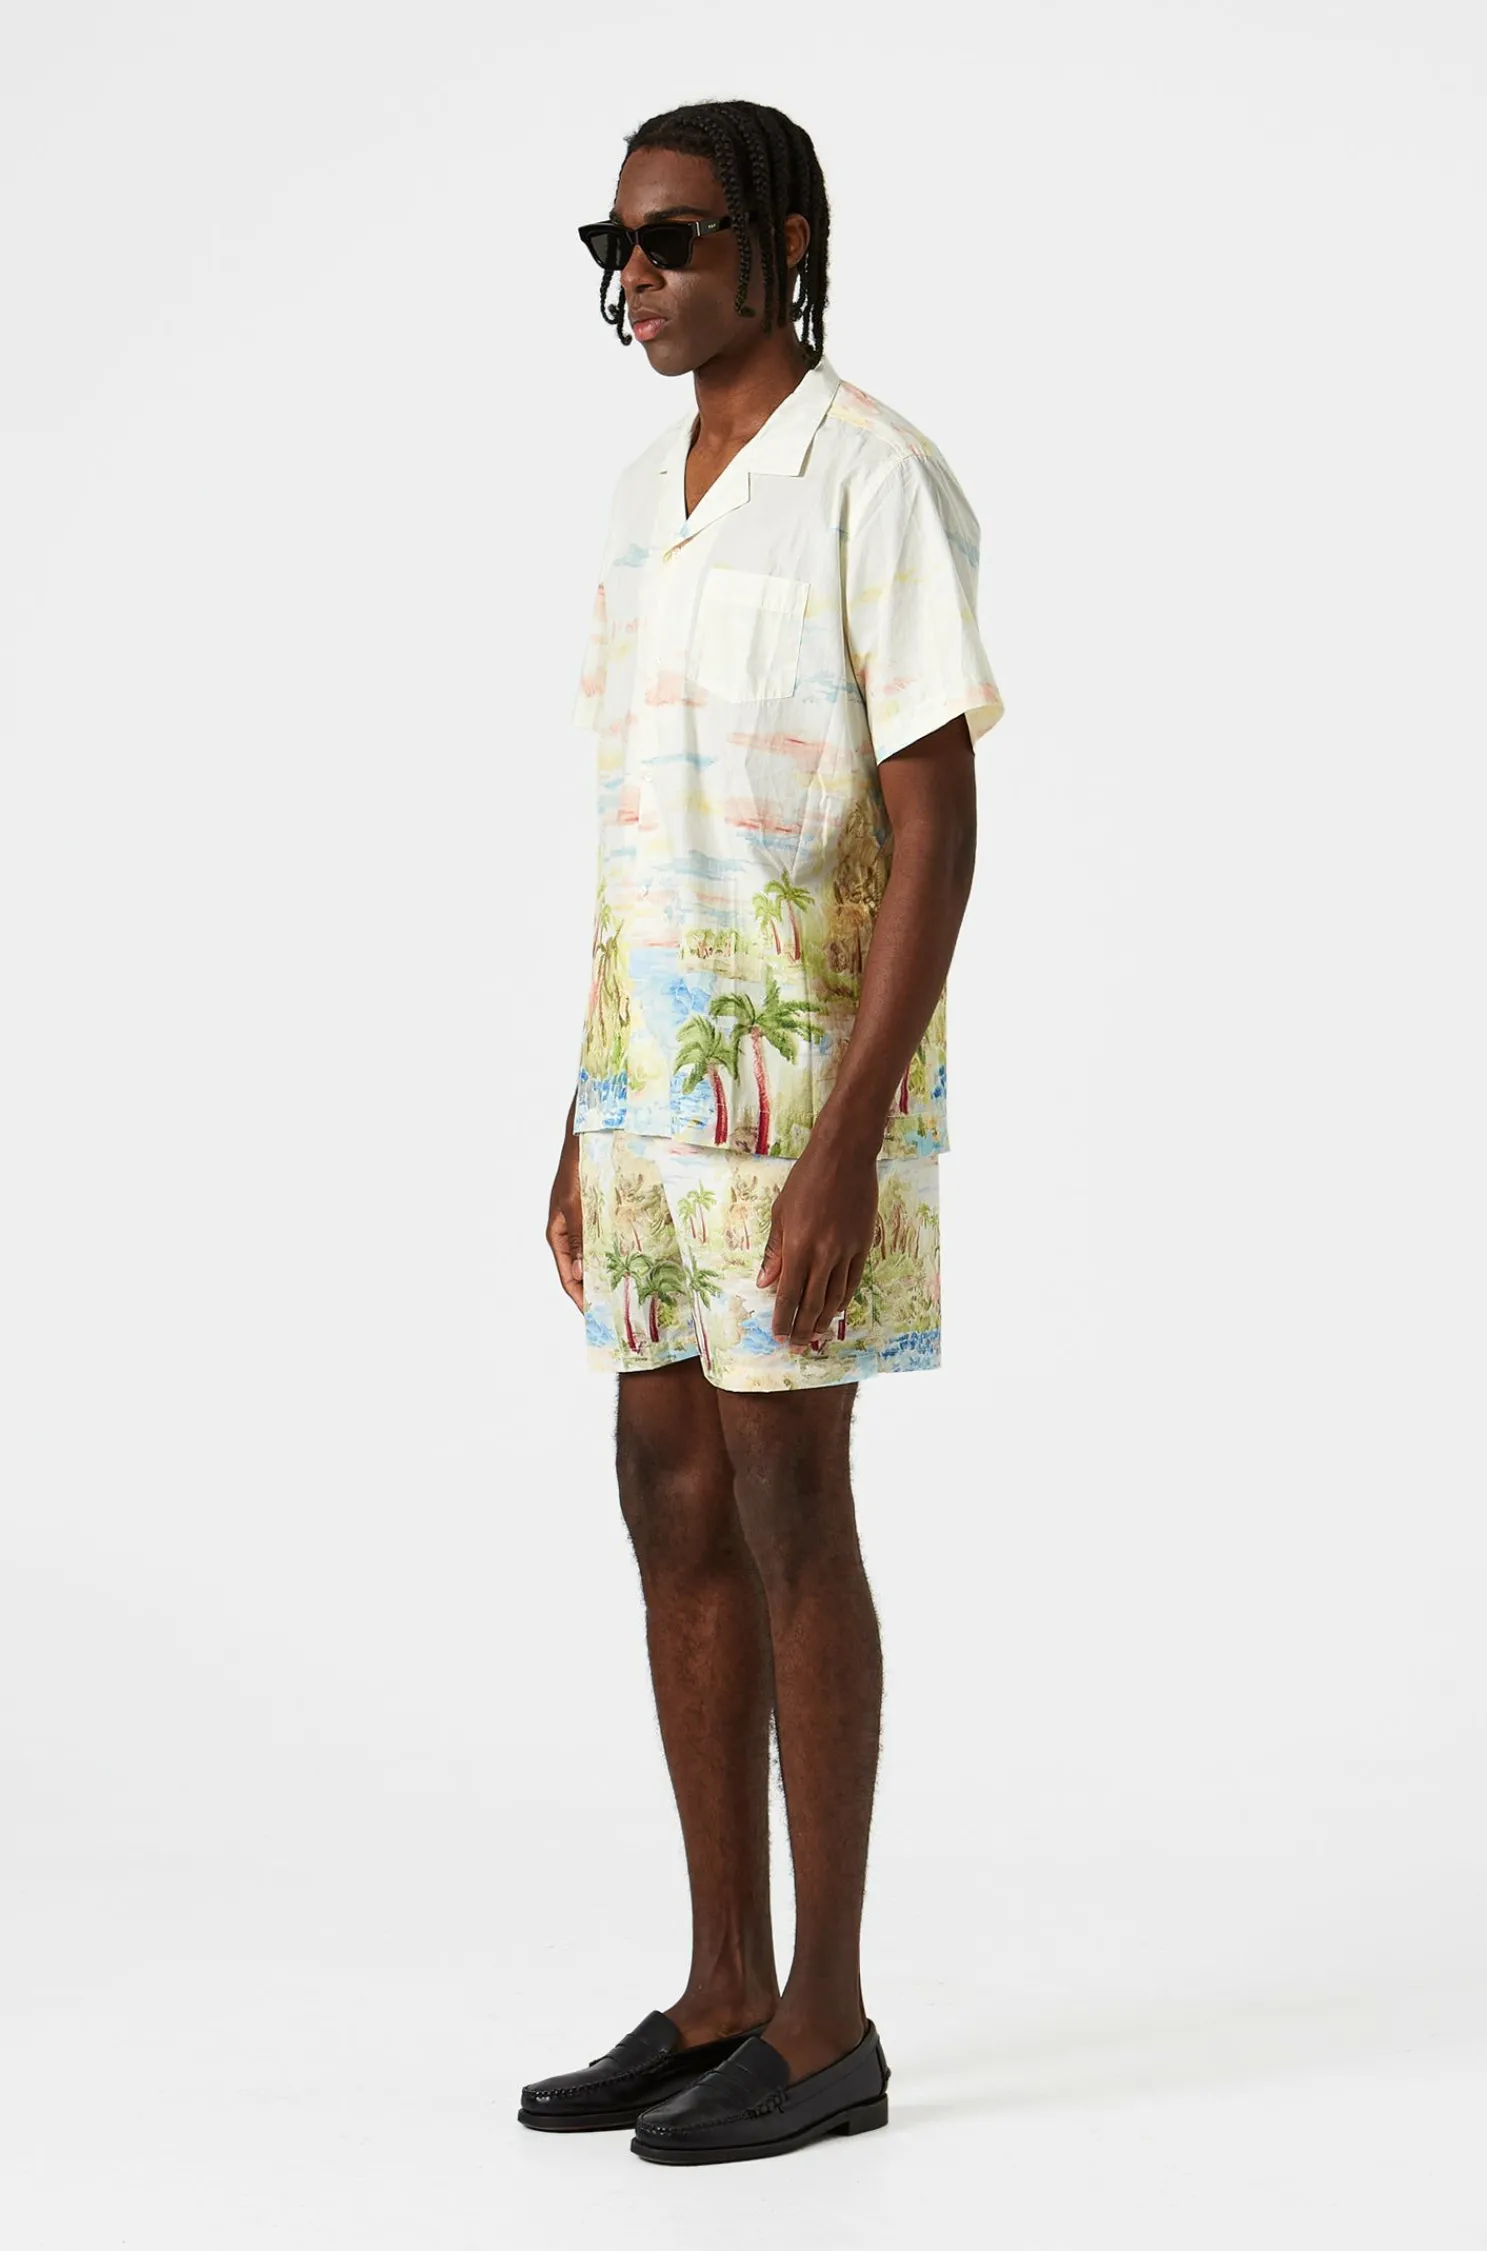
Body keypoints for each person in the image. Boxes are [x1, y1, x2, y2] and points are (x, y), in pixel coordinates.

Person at [521, 98, 1003, 2166]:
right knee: (665, 1485)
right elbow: (647, 832)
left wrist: (851, 1139)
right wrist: (582, 1100)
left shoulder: (870, 477)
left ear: (783, 241)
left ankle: (829, 2018)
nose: (637, 279)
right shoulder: (645, 497)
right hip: (650, 1094)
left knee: (795, 1497)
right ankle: (721, 1982)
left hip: (804, 1097)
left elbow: (936, 825)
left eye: (677, 239)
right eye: (614, 248)